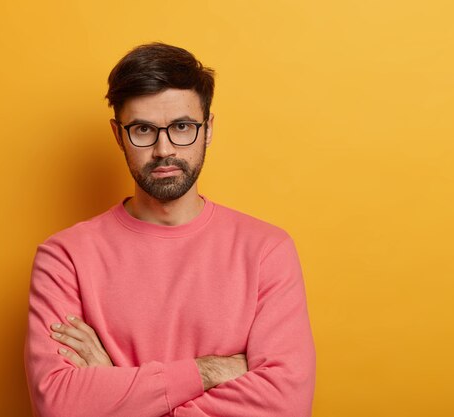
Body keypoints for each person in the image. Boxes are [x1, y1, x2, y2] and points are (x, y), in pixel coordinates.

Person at [24, 42, 316, 417]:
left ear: (208, 129)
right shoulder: (64, 258)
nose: (164, 150)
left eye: (182, 126)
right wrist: (211, 370)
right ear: (118, 135)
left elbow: (286, 406)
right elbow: (59, 406)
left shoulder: (266, 250)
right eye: (143, 129)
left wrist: (119, 387)